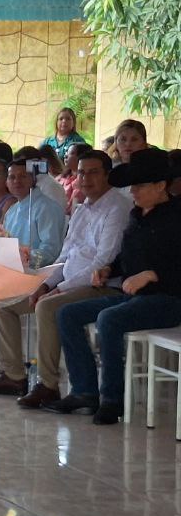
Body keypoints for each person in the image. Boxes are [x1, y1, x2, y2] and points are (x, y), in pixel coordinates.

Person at [0, 151, 132, 405]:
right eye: (81, 173)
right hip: (63, 281)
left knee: (47, 306)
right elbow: (64, 256)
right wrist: (48, 284)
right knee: (3, 300)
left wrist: (59, 288)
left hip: (99, 285)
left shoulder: (117, 208)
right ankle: (14, 375)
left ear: (107, 175)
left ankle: (47, 384)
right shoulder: (82, 209)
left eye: (93, 172)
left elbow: (102, 262)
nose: (85, 178)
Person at [52, 148, 181, 424]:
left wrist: (152, 275)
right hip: (133, 296)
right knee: (67, 314)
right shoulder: (137, 215)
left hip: (169, 299)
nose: (132, 191)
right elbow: (127, 257)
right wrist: (109, 269)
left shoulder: (176, 217)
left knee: (109, 319)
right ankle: (84, 391)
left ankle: (112, 399)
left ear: (161, 185)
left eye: (139, 185)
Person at [1, 159, 66, 270]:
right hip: (11, 268)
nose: (17, 181)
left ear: (33, 179)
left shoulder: (46, 208)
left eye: (23, 176)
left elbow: (50, 251)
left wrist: (24, 259)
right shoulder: (11, 211)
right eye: (12, 177)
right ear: (6, 182)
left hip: (36, 272)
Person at [59, 143, 93, 213]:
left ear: (81, 157)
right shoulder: (61, 177)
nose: (65, 156)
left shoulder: (85, 182)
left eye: (71, 153)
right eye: (66, 152)